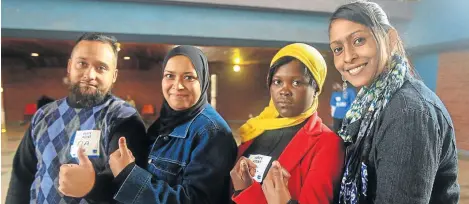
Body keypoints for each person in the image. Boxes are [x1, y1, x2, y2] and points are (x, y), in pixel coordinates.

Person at [328, 1, 459, 203]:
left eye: (358, 40)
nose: (348, 57)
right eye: (337, 49)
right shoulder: (368, 103)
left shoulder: (408, 112)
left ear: (389, 40)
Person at [6, 33, 147, 204]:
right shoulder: (44, 115)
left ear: (114, 76)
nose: (89, 74)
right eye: (82, 64)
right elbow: (22, 177)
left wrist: (92, 185)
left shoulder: (122, 118)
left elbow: (128, 186)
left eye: (101, 67)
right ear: (70, 66)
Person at [108, 45, 238, 204]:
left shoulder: (211, 132)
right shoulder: (163, 123)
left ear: (203, 81)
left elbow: (195, 201)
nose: (178, 85)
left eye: (189, 77)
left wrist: (129, 176)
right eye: (170, 76)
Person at [230, 43, 345, 204]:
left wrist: (246, 192)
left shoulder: (327, 144)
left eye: (297, 82)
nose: (284, 90)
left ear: (316, 89)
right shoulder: (255, 131)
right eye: (277, 82)